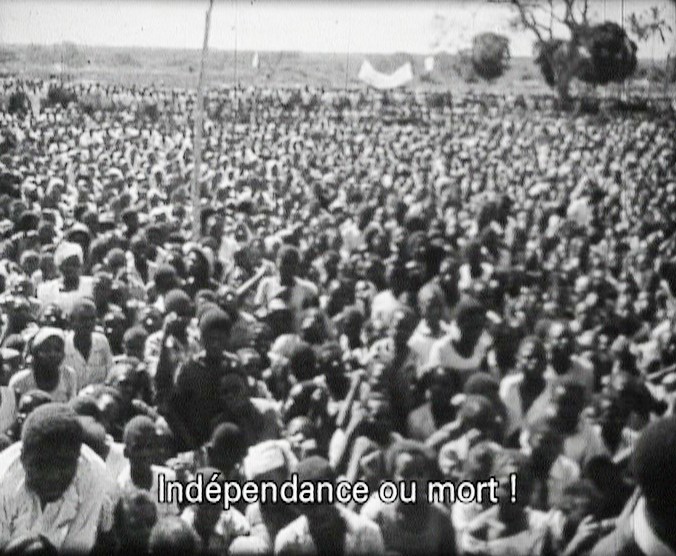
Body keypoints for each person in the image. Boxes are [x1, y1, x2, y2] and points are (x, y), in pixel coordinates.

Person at [0, 403, 115, 553]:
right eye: (42, 464)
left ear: (78, 458)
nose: (52, 476)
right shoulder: (4, 480)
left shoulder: (93, 474)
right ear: (23, 457)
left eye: (63, 464)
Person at [274, 455, 385, 555]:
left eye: (325, 501)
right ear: (298, 507)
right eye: (311, 506)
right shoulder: (288, 543)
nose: (320, 511)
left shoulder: (367, 534)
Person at [361, 440, 456, 555]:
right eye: (406, 474)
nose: (414, 481)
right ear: (392, 479)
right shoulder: (376, 515)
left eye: (420, 474)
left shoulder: (440, 519)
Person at [117, 415, 179, 519]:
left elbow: (172, 519)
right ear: (126, 452)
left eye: (149, 447)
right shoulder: (120, 487)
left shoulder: (168, 479)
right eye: (138, 448)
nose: (144, 453)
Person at [180, 467, 250, 554]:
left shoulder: (234, 521)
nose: (209, 513)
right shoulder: (184, 524)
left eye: (215, 507)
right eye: (204, 506)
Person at [255, 245, 319, 333]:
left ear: (298, 266)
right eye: (285, 262)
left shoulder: (308, 289)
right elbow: (258, 310)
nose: (288, 267)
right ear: (277, 262)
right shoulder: (267, 284)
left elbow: (316, 315)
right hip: (271, 331)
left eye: (292, 264)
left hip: (296, 333)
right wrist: (276, 298)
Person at [9, 327, 77, 403]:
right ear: (35, 351)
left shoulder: (68, 375)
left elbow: (71, 406)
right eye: (46, 349)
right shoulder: (20, 380)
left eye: (57, 349)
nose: (52, 354)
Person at [63, 297, 114, 391]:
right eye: (83, 319)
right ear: (72, 321)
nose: (89, 323)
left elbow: (111, 374)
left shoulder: (102, 342)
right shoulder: (63, 347)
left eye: (92, 319)